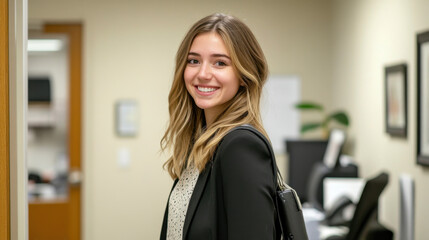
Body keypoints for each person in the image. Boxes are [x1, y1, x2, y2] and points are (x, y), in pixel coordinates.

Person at [160, 13, 280, 240]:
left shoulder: (241, 147)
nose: (203, 74)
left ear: (244, 75)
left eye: (220, 63)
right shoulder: (201, 143)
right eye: (194, 60)